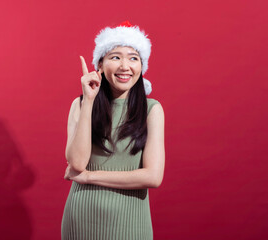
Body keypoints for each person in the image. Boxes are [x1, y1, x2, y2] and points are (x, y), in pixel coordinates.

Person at [61, 20, 165, 240]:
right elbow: (77, 162)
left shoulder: (151, 110)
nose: (125, 66)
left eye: (133, 58)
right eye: (115, 57)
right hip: (81, 220)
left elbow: (153, 176)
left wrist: (89, 177)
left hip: (132, 225)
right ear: (99, 64)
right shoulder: (80, 105)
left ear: (142, 67)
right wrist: (89, 101)